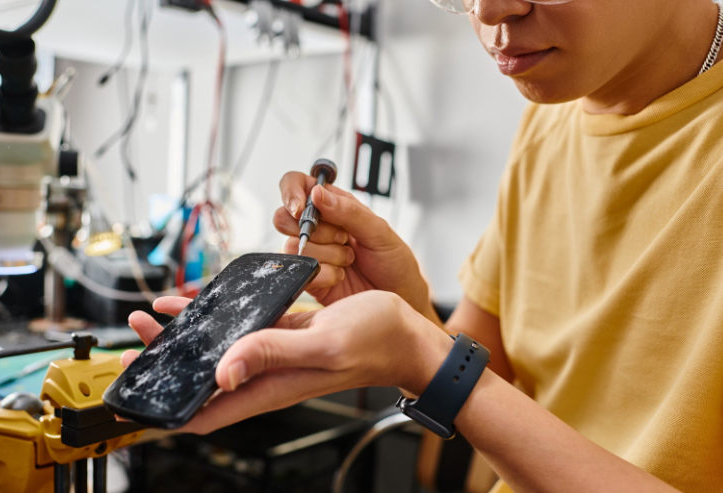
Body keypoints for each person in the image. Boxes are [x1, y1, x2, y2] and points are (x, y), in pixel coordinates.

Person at [126, 0, 723, 490]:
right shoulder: (552, 115)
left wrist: (421, 354)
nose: (490, 13)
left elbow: (454, 378)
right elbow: (489, 381)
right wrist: (406, 310)